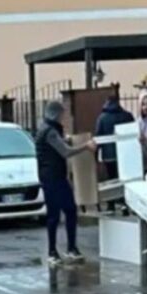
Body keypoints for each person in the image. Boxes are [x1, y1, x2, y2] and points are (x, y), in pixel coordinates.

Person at [36, 101, 96, 266]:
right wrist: (86, 146)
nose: (65, 117)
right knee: (61, 213)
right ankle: (58, 251)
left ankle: (62, 249)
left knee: (63, 212)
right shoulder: (50, 132)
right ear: (56, 114)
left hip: (52, 177)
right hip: (53, 178)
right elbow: (65, 152)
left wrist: (66, 139)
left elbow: (58, 144)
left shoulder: (47, 129)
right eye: (63, 114)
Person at [94, 94, 135, 180]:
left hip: (109, 156)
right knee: (126, 177)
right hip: (125, 153)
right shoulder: (127, 116)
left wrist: (96, 157)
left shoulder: (102, 118)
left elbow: (98, 137)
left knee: (112, 178)